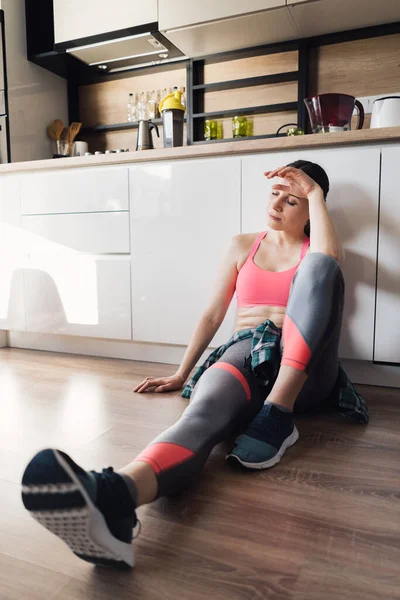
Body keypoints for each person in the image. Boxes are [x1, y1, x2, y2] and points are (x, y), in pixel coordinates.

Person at [21, 160, 368, 570]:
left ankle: (278, 413)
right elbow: (212, 314)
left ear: (312, 207)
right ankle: (114, 496)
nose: (277, 204)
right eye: (274, 193)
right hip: (245, 353)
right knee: (200, 415)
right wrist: (182, 372)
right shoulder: (243, 245)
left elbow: (328, 257)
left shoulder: (319, 250)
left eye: (292, 199)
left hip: (306, 373)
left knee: (322, 267)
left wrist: (313, 193)